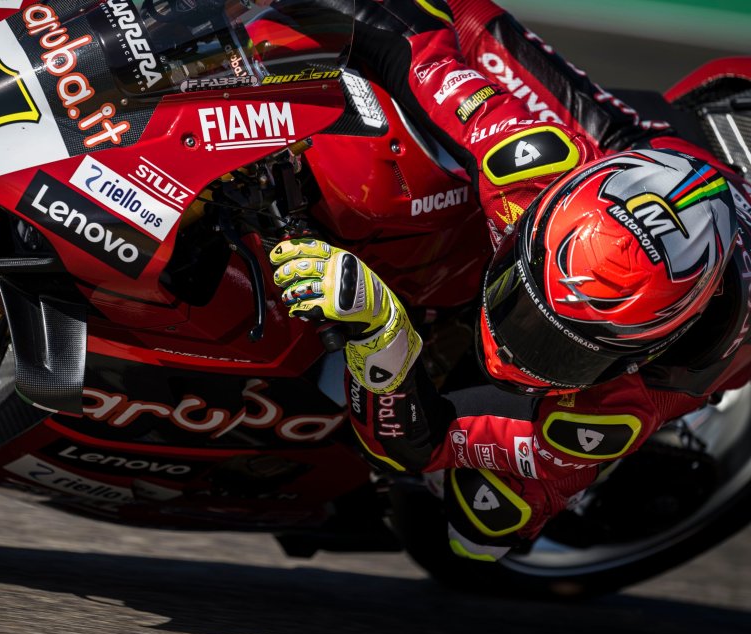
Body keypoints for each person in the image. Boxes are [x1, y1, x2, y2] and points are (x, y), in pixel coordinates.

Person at [270, 0, 751, 560]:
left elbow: (413, 445)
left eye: (569, 352)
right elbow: (419, 54)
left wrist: (381, 334)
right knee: (455, 16)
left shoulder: (619, 406)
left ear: (646, 351)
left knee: (482, 528)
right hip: (638, 153)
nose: (515, 354)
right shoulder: (532, 166)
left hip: (673, 314)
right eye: (520, 302)